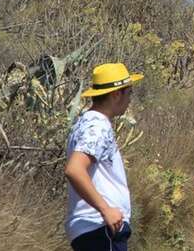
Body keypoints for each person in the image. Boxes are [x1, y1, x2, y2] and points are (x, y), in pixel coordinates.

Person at [64, 63, 143, 251]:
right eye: (129, 92)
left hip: (94, 229)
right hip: (99, 227)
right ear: (116, 94)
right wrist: (106, 209)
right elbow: (74, 169)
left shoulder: (85, 122)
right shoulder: (97, 126)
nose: (130, 99)